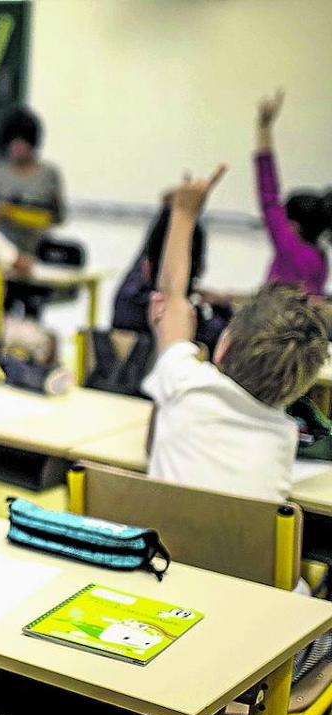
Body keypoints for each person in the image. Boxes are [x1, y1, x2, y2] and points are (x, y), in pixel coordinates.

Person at [145, 163, 328, 503]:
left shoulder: (185, 385)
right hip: (236, 557)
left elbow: (171, 297)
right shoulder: (284, 437)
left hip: (161, 553)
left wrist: (184, 213)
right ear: (298, 388)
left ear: (223, 348)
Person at [112, 201, 231, 353]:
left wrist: (173, 210)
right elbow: (231, 339)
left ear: (146, 267)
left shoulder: (127, 304)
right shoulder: (207, 333)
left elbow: (143, 262)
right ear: (201, 269)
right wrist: (223, 308)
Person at [255, 89, 332, 296]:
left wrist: (263, 126)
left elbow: (268, 193)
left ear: (294, 224)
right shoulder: (320, 259)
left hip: (272, 326)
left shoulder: (289, 245)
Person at [0, 106, 65, 255]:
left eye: (23, 142)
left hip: (38, 250)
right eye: (14, 142)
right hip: (0, 249)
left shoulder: (48, 174)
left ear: (33, 143)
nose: (18, 147)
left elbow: (59, 216)